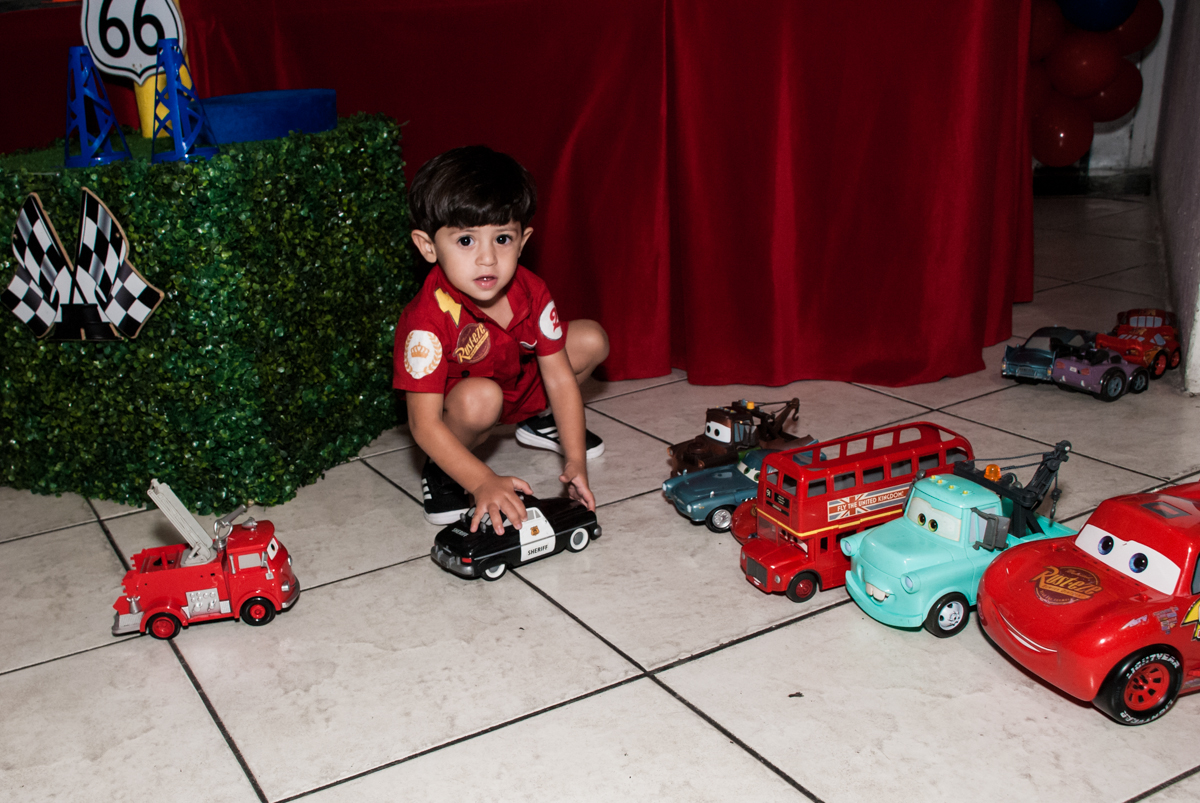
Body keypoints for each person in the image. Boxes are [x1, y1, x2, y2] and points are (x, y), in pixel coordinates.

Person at [394, 145, 609, 533]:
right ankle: (446, 470)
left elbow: (558, 377)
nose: (488, 259)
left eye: (503, 239)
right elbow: (422, 423)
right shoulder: (425, 321)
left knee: (591, 338)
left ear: (523, 241)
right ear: (428, 246)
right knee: (481, 398)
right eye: (466, 241)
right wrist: (481, 481)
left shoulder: (532, 289)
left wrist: (573, 458)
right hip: (468, 408)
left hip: (519, 387)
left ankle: (540, 423)